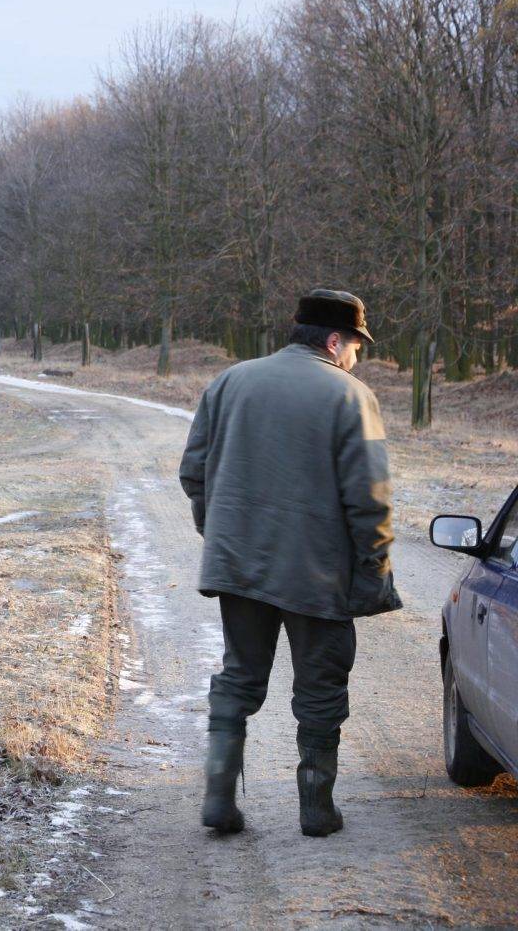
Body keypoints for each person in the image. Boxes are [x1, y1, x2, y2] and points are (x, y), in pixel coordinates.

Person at [180, 289, 399, 838]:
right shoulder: (350, 396)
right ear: (334, 340)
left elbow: (193, 472)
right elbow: (368, 498)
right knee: (321, 689)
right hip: (318, 573)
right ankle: (317, 810)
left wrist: (223, 533)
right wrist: (374, 569)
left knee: (238, 678)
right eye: (355, 345)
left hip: (241, 569)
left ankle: (218, 800)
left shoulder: (230, 382)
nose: (356, 357)